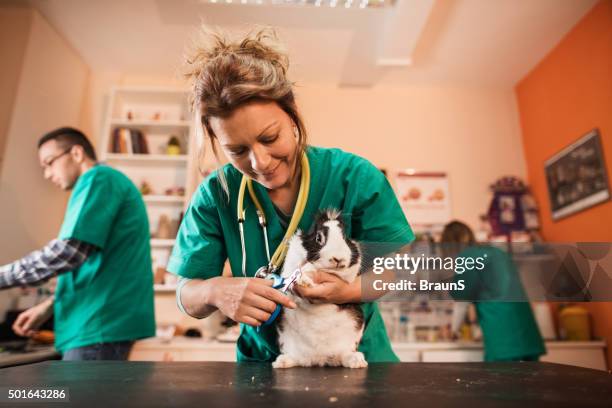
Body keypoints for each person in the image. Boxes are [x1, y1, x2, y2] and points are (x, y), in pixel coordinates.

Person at [169, 27, 414, 363]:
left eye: (270, 138)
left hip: (356, 359)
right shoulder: (217, 195)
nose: (260, 162)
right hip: (269, 366)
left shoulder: (354, 177)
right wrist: (215, 292)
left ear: (292, 113)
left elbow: (398, 270)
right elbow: (186, 292)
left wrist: (347, 290)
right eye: (237, 150)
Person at [0, 127, 155, 360]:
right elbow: (92, 263)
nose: (47, 174)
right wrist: (49, 306)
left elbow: (68, 253)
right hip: (97, 323)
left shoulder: (98, 178)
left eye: (49, 162)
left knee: (75, 398)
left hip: (97, 324)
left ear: (77, 153)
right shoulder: (107, 182)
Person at [442, 220, 546, 362]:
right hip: (527, 333)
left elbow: (462, 302)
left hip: (503, 338)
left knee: (504, 382)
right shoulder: (497, 252)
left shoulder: (467, 257)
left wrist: (454, 331)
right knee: (531, 382)